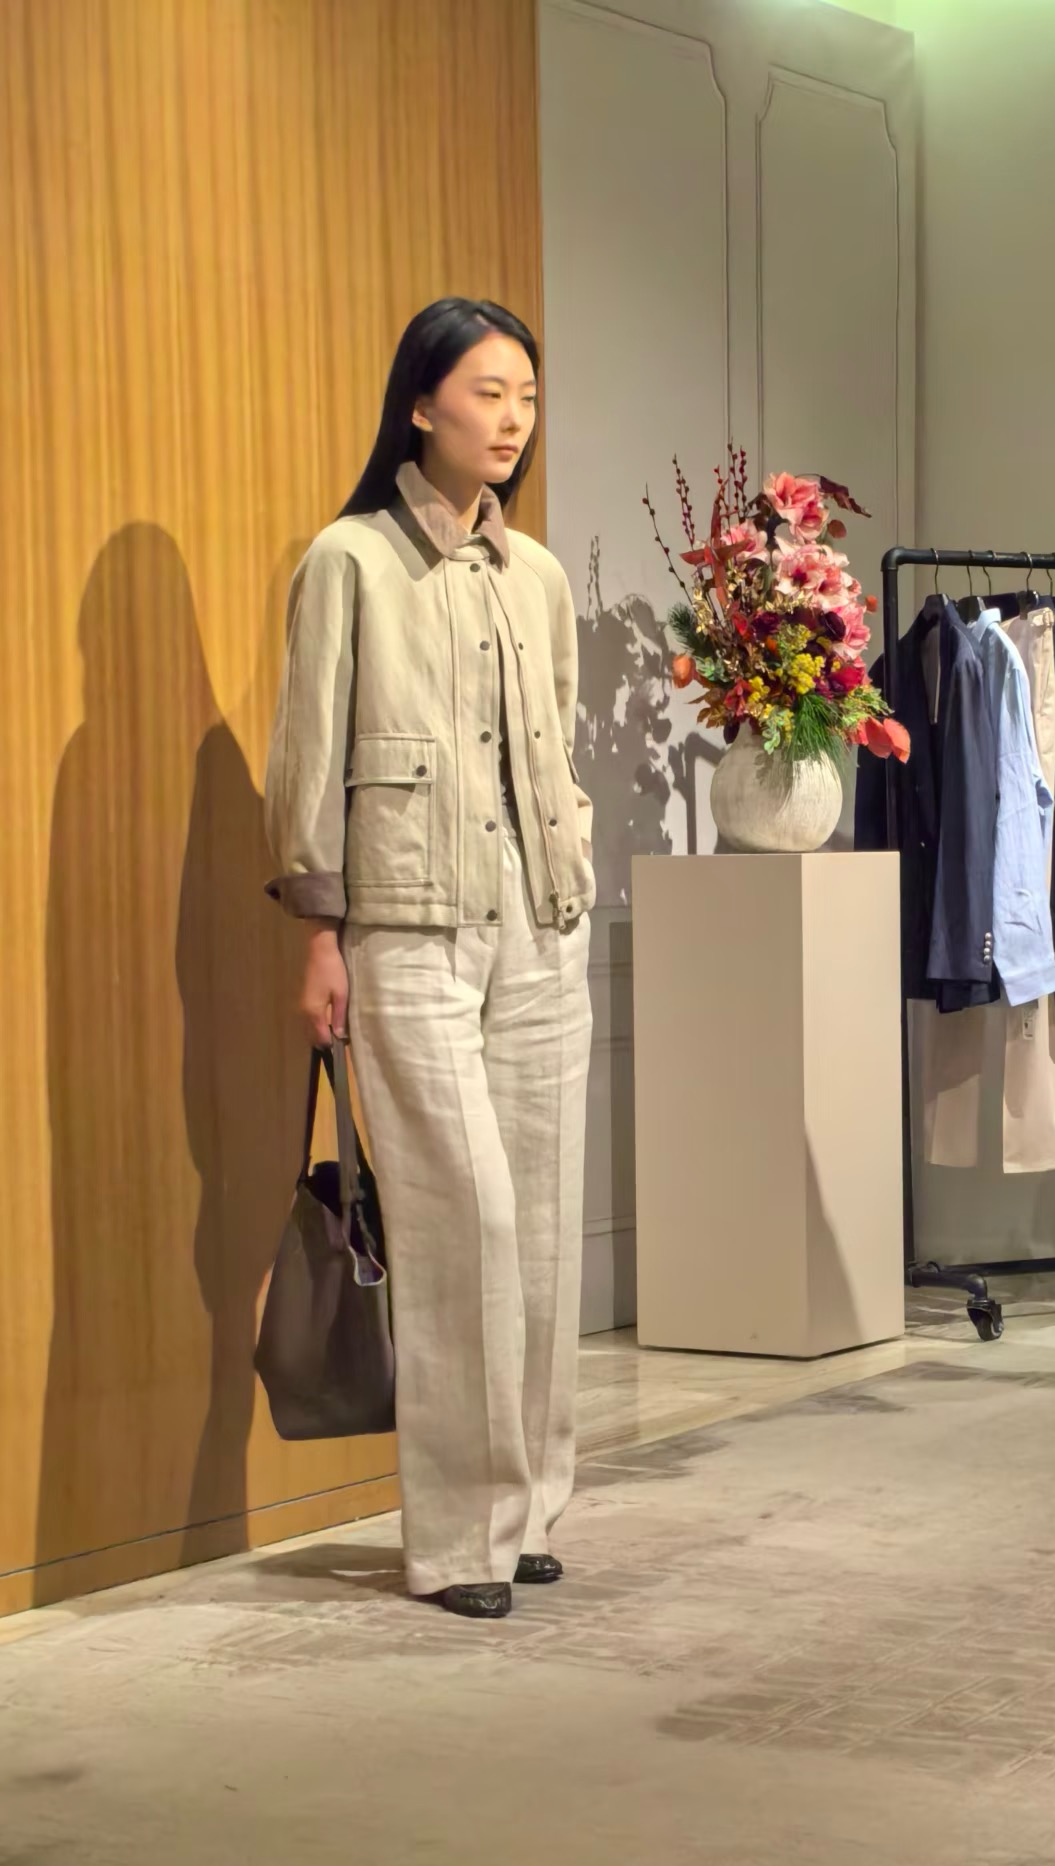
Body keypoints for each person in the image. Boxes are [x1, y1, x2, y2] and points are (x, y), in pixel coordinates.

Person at [264, 298, 596, 1617]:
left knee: (545, 1228)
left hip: (540, 925)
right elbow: (308, 757)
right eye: (486, 392)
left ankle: (530, 1509)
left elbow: (556, 741)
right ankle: (459, 1535)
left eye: (527, 396)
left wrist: (571, 851)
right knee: (465, 1224)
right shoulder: (348, 560)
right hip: (405, 929)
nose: (512, 419)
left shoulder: (539, 576)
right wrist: (319, 931)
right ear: (420, 404)